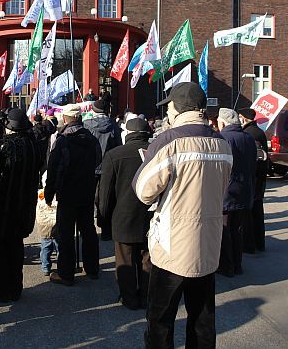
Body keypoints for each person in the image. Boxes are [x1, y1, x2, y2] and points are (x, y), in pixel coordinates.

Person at [133, 82, 232, 348]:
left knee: (160, 320)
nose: (168, 113)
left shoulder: (169, 141)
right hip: (208, 244)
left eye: (170, 107)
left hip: (171, 245)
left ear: (177, 109)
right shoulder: (222, 143)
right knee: (202, 321)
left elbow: (143, 191)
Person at [0, 108, 41, 302]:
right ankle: (15, 287)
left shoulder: (6, 146)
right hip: (24, 204)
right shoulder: (33, 145)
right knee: (15, 246)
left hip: (3, 205)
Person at [98, 117, 152, 310]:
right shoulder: (158, 153)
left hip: (123, 214)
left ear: (127, 134)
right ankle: (146, 296)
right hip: (151, 214)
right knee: (148, 257)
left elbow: (105, 192)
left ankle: (129, 298)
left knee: (125, 258)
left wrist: (103, 216)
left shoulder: (115, 155)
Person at [44, 104, 102, 286]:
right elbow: (98, 161)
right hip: (86, 190)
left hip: (67, 193)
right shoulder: (91, 139)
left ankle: (66, 273)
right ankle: (92, 268)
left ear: (66, 119)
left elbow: (52, 168)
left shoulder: (62, 140)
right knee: (88, 230)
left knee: (66, 233)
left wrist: (49, 192)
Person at [216, 108, 257, 277]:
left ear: (223, 122)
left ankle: (227, 266)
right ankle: (237, 264)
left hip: (227, 191)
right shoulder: (248, 137)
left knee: (225, 230)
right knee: (237, 229)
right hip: (244, 190)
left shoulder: (222, 138)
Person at [84, 99, 121, 241]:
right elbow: (118, 145)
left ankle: (88, 230)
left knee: (88, 196)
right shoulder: (113, 125)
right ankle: (106, 230)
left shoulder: (87, 125)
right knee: (106, 198)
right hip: (108, 165)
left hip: (90, 165)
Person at [238, 108, 269, 253]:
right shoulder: (258, 132)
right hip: (259, 178)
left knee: (250, 213)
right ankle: (259, 243)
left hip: (254, 178)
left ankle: (250, 245)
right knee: (257, 212)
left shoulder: (249, 134)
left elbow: (257, 158)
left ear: (244, 118)